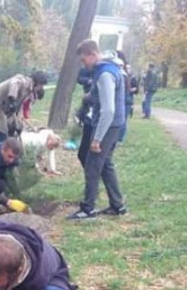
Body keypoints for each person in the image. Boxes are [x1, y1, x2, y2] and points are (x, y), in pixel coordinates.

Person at [67, 39, 127, 220]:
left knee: (92, 165)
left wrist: (97, 139)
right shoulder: (109, 67)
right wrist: (90, 96)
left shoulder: (105, 74)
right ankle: (118, 206)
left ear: (93, 54)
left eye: (84, 60)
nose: (83, 65)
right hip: (116, 124)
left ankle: (88, 208)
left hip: (107, 126)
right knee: (106, 164)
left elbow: (108, 110)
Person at [0, 71, 49, 142]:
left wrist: (18, 126)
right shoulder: (23, 81)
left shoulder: (28, 91)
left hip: (1, 109)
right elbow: (14, 82)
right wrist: (12, 98)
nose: (41, 88)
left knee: (3, 137)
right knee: (1, 137)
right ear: (37, 82)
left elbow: (17, 112)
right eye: (41, 85)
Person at [75, 66, 95, 167]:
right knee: (82, 154)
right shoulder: (85, 69)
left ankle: (92, 177)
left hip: (95, 120)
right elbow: (79, 78)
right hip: (88, 116)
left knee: (88, 155)